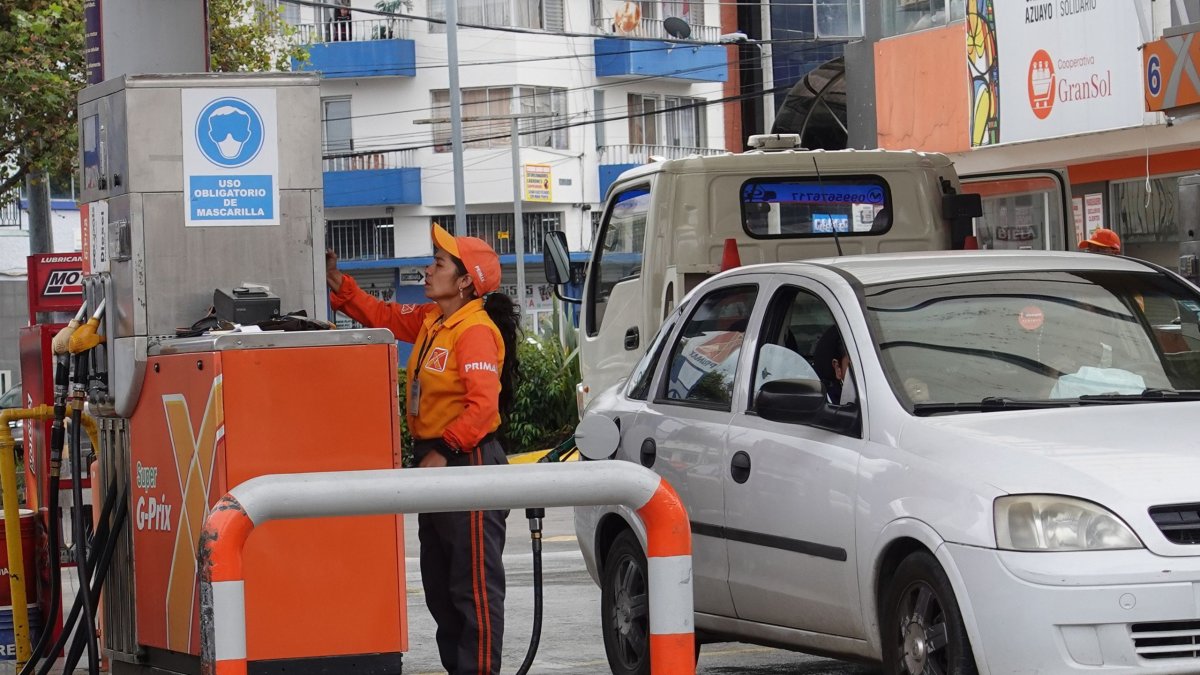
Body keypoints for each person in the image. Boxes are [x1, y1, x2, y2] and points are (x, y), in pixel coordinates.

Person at [326, 224, 519, 675]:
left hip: (465, 461)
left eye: (438, 264)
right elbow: (385, 316)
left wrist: (446, 449)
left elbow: (483, 406)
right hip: (438, 460)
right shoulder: (435, 321)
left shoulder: (473, 331)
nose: (427, 270)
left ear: (466, 280)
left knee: (471, 587)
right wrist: (340, 284)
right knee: (439, 583)